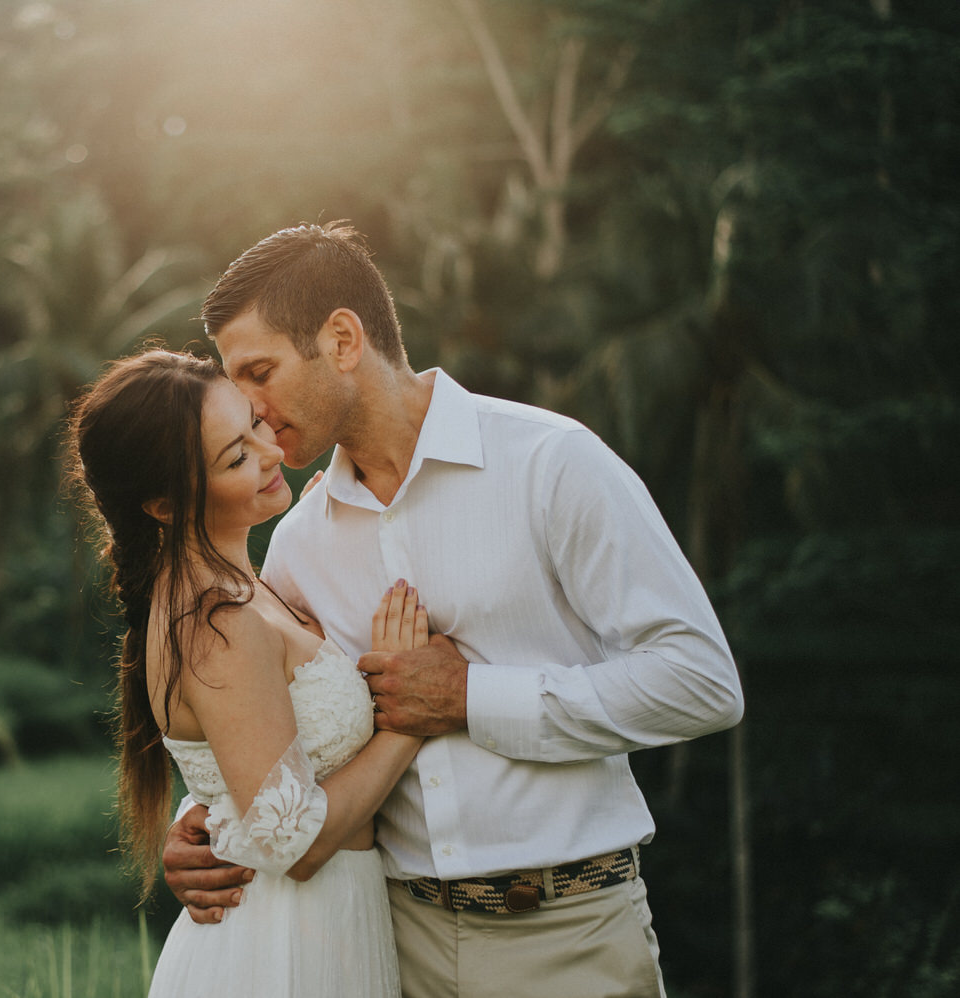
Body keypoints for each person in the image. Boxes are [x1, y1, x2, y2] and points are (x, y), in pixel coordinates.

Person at [163, 222, 745, 998]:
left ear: (341, 339)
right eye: (238, 388)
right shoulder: (299, 539)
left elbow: (702, 682)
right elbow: (270, 709)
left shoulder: (551, 464)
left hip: (570, 938)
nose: (254, 413)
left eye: (260, 373)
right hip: (390, 947)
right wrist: (202, 821)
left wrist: (471, 698)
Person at [67, 348, 440, 998]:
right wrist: (407, 721)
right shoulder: (216, 622)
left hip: (331, 922)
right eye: (236, 457)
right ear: (162, 505)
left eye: (254, 425)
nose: (270, 453)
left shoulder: (245, 589)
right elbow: (290, 842)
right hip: (284, 945)